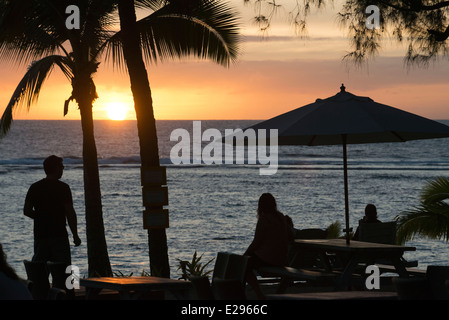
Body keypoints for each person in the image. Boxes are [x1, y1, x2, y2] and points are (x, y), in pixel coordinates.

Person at [24, 155, 81, 266]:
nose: (63, 168)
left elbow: (27, 211)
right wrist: (75, 235)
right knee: (63, 272)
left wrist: (41, 217)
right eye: (61, 166)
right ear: (55, 168)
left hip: (41, 235)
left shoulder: (35, 187)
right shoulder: (63, 188)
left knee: (40, 272)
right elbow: (70, 212)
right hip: (59, 235)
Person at [244, 193, 294, 299]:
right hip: (282, 259)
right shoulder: (281, 217)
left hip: (269, 259)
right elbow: (290, 236)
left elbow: (256, 242)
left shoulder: (264, 219)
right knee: (247, 262)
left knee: (244, 265)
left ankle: (259, 294)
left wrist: (245, 254)